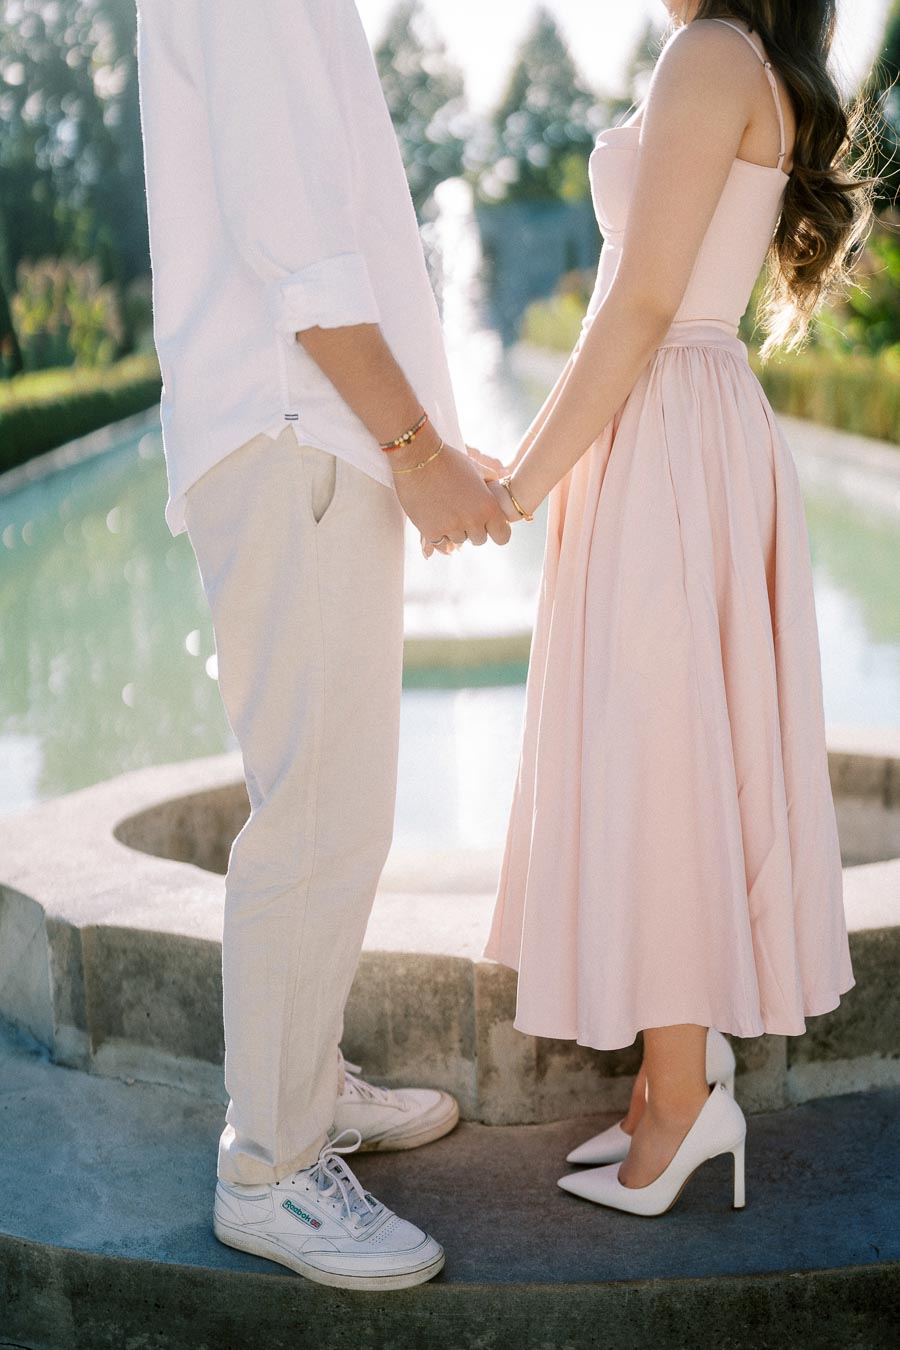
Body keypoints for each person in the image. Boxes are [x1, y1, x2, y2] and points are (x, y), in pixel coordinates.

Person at [469, 0, 871, 1215]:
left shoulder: (710, 55)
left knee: (664, 760)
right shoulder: (729, 54)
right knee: (666, 751)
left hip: (672, 423)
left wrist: (523, 483)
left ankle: (687, 1106)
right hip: (676, 422)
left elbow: (638, 303)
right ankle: (666, 1085)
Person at [135, 0, 511, 1290]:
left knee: (325, 800)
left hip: (309, 432)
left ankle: (305, 1085)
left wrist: (430, 442)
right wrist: (415, 447)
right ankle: (271, 1167)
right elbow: (297, 245)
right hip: (300, 427)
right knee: (321, 814)